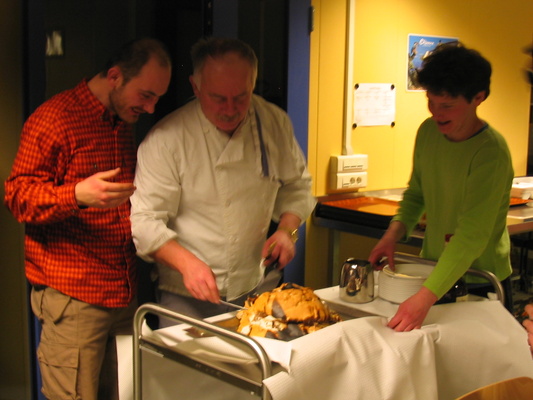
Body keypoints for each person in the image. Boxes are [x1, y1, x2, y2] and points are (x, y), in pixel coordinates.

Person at [4, 38, 172, 399]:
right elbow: (17, 196)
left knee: (126, 393)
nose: (151, 107)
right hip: (75, 297)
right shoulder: (54, 119)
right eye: (145, 95)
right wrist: (76, 195)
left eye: (157, 97)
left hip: (123, 294)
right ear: (114, 76)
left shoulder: (121, 121)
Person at [130, 37, 315, 325]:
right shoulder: (166, 140)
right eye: (218, 98)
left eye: (241, 97)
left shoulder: (274, 122)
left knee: (262, 368)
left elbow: (297, 185)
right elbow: (144, 222)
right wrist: (186, 263)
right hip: (186, 297)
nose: (230, 108)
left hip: (257, 286)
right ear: (196, 87)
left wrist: (287, 231)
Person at [368, 43, 514, 332]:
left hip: (480, 279)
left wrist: (424, 298)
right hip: (434, 274)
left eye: (446, 105)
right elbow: (416, 194)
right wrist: (392, 235)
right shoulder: (428, 132)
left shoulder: (491, 153)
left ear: (478, 98)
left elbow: (471, 235)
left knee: (479, 372)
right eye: (431, 102)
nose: (436, 113)